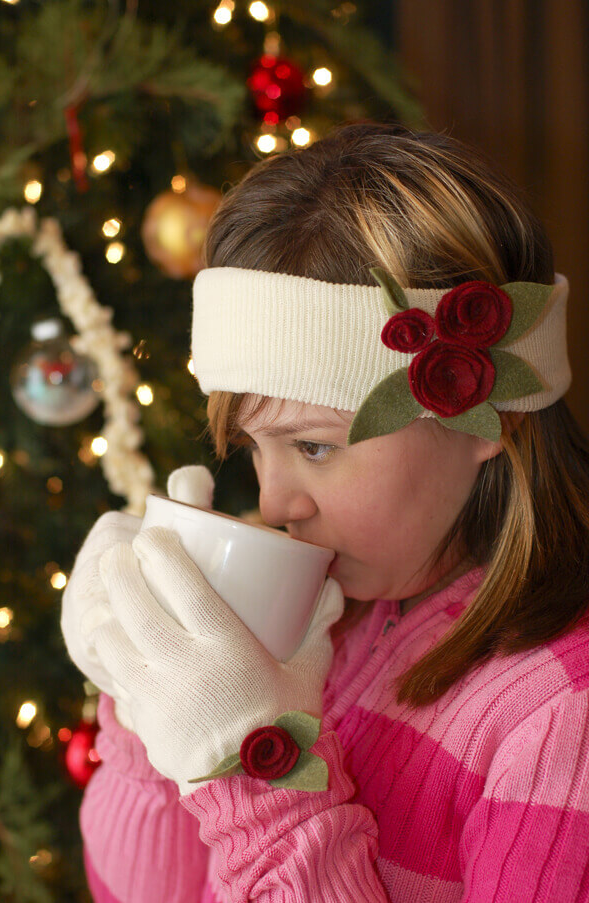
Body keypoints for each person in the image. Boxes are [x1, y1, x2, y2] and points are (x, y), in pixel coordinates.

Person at [61, 122, 589, 903]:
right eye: (254, 449)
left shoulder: (559, 718)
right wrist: (150, 698)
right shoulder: (327, 618)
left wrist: (259, 771)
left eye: (311, 446)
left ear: (489, 418)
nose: (275, 503)